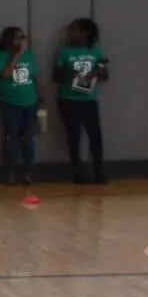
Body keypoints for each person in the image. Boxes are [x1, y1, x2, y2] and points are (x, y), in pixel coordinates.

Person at [55, 17, 108, 184]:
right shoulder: (64, 51)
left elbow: (105, 73)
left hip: (88, 99)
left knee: (95, 135)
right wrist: (72, 73)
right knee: (74, 136)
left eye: (75, 30)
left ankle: (99, 171)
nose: (72, 33)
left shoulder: (95, 51)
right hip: (69, 99)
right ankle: (78, 173)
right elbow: (55, 76)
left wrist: (96, 73)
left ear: (84, 33)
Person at [0, 26, 40, 185]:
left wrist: (40, 95)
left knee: (29, 138)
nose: (22, 40)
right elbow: (3, 75)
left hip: (30, 101)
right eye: (18, 37)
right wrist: (15, 56)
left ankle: (27, 172)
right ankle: (9, 173)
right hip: (10, 101)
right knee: (12, 137)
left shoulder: (30, 55)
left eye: (23, 37)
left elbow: (35, 76)